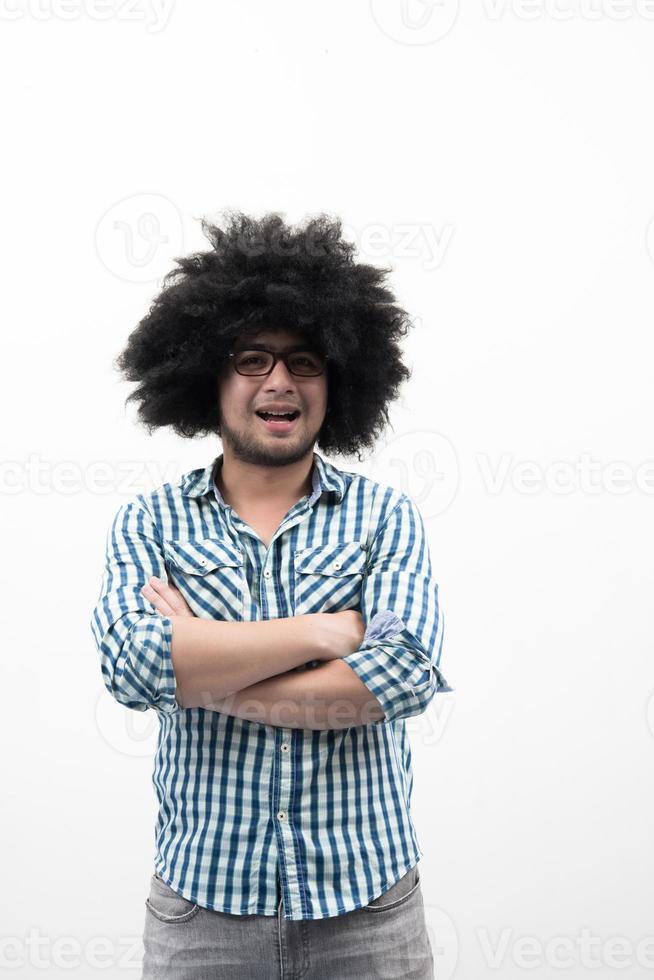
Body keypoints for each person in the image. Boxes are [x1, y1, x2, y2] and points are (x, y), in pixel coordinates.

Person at [90, 210, 452, 979]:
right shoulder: (150, 521)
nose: (279, 381)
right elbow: (132, 667)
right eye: (251, 359)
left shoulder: (385, 516)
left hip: (369, 911)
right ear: (204, 377)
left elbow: (403, 674)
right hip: (202, 913)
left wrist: (204, 671)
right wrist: (324, 632)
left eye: (304, 362)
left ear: (342, 380)